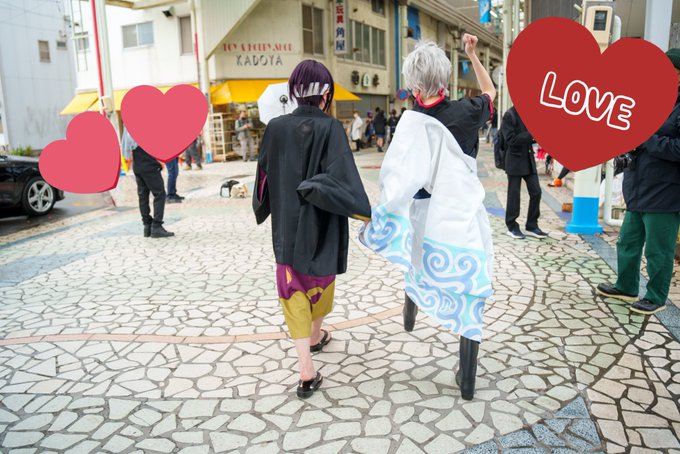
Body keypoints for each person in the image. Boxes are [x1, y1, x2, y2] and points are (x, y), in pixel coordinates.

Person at [361, 36, 496, 401]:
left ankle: (410, 316)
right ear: (445, 78)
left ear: (413, 86)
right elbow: (491, 92)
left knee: (416, 262)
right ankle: (467, 380)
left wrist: (378, 216)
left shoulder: (410, 123)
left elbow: (397, 179)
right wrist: (472, 53)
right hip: (460, 214)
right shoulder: (468, 111)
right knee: (470, 288)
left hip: (423, 215)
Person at [253, 60, 371, 399]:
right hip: (323, 226)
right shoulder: (332, 128)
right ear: (326, 93)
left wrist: (267, 202)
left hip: (287, 228)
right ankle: (316, 337)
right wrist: (364, 212)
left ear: (294, 91)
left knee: (293, 291)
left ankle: (307, 368)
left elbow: (263, 179)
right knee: (320, 285)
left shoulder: (275, 128)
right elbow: (345, 179)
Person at [596, 48, 680, 316]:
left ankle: (656, 296)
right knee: (627, 242)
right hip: (638, 185)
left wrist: (646, 138)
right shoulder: (651, 100)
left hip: (666, 191)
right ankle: (626, 286)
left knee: (658, 250)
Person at [501, 106, 548, 240]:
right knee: (514, 195)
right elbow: (510, 140)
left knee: (536, 192)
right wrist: (531, 134)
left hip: (528, 159)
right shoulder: (509, 115)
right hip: (514, 160)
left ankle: (531, 225)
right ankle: (512, 226)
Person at [121, 127, 174, 238]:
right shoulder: (145, 122)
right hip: (148, 161)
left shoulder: (128, 124)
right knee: (159, 193)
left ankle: (147, 226)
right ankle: (156, 226)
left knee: (143, 195)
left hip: (137, 162)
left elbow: (125, 149)